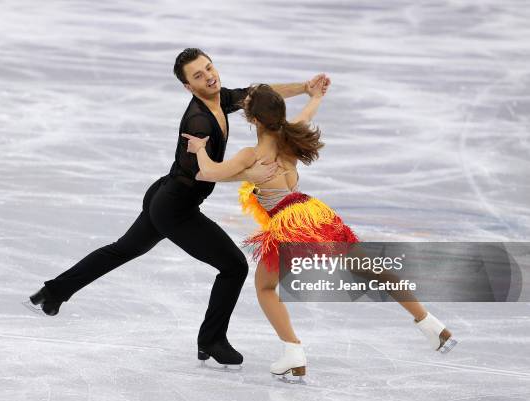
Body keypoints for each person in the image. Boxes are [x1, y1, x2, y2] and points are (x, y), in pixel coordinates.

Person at [27, 47, 326, 366]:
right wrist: (248, 173)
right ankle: (211, 341)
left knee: (123, 249)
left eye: (209, 68)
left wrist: (304, 88)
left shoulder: (220, 98)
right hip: (176, 208)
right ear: (188, 87)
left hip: (165, 195)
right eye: (199, 75)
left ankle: (51, 293)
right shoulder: (198, 121)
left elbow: (258, 95)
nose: (209, 76)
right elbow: (202, 172)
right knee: (234, 266)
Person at [182, 79, 457, 378]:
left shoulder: (251, 155)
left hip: (288, 222)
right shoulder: (291, 135)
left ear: (254, 120)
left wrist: (199, 148)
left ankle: (293, 351)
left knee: (264, 288)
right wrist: (315, 96)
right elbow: (307, 115)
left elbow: (207, 172)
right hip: (314, 212)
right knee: (372, 269)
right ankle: (431, 324)